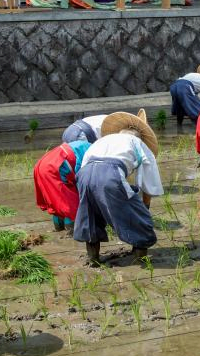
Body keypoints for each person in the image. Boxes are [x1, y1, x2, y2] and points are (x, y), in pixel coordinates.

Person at [73, 110, 162, 265]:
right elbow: (147, 182)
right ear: (138, 137)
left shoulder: (101, 140)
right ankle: (140, 257)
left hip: (84, 174)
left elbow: (84, 163)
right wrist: (144, 207)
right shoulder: (137, 143)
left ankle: (93, 259)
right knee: (136, 214)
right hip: (110, 174)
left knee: (90, 214)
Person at [33, 139, 92, 232]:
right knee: (69, 201)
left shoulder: (85, 145)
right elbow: (83, 178)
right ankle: (72, 230)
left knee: (55, 199)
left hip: (43, 164)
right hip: (56, 167)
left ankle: (59, 226)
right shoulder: (92, 152)